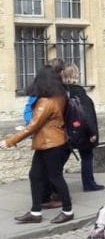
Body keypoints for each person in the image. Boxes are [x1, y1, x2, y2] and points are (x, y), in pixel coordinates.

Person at [1, 66, 75, 224]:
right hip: (47, 142)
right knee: (35, 175)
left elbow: (33, 126)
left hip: (51, 144)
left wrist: (10, 141)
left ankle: (68, 211)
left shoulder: (46, 102)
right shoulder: (59, 96)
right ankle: (35, 212)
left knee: (55, 177)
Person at [62, 64, 103, 190]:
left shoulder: (63, 92)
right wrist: (92, 132)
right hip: (82, 131)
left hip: (68, 130)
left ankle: (53, 186)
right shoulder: (79, 92)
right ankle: (89, 184)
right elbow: (86, 114)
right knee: (87, 156)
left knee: (61, 158)